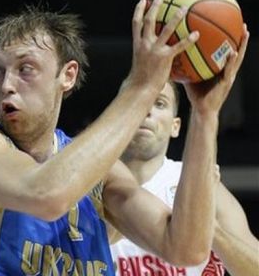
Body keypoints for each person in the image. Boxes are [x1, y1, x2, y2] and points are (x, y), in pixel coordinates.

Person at [0, 0, 249, 275]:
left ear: (67, 75)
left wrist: (206, 115)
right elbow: (45, 195)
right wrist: (142, 86)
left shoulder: (101, 176)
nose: (6, 84)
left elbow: (186, 250)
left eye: (25, 68)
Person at [110, 80, 259, 276]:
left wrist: (205, 227)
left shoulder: (200, 186)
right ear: (117, 115)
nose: (147, 111)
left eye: (160, 104)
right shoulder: (91, 187)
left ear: (175, 126)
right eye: (139, 100)